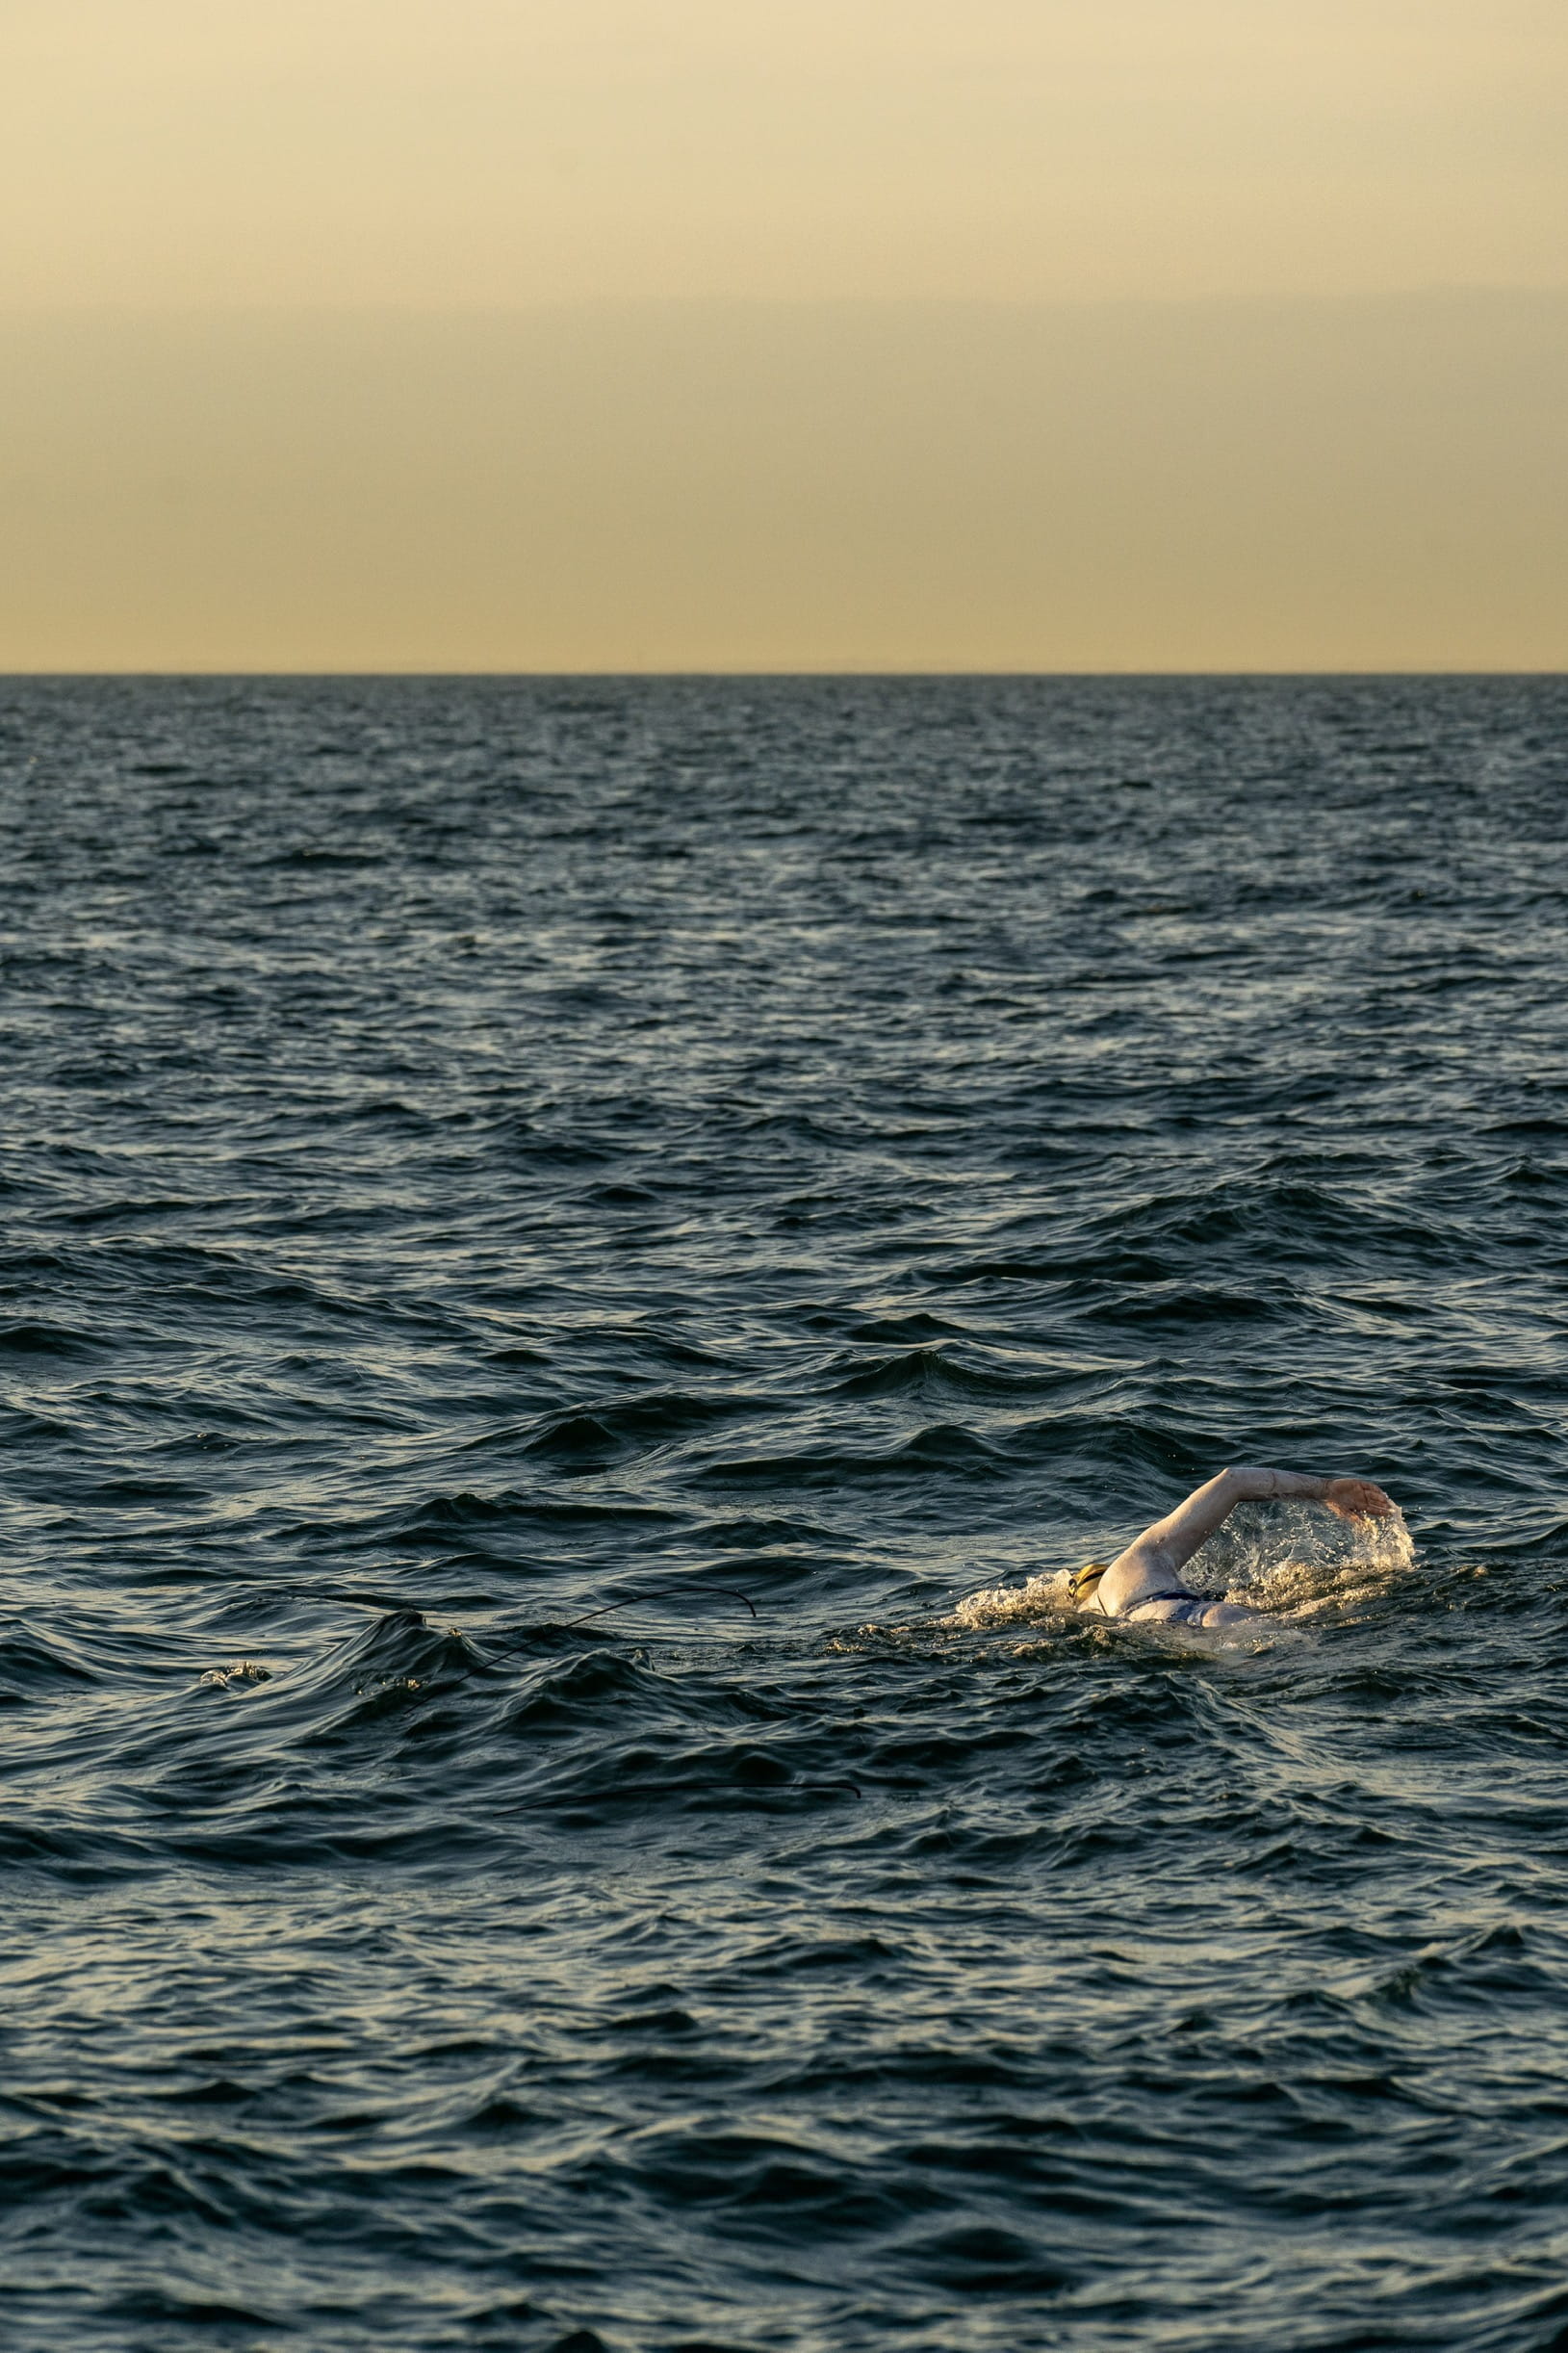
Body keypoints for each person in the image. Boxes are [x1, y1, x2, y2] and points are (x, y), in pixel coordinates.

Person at [1069, 1465, 1395, 1629]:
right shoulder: (1137, 1562)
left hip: (1177, 1637)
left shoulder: (1104, 1617)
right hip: (1218, 1617)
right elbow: (1233, 1480)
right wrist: (1327, 1489)